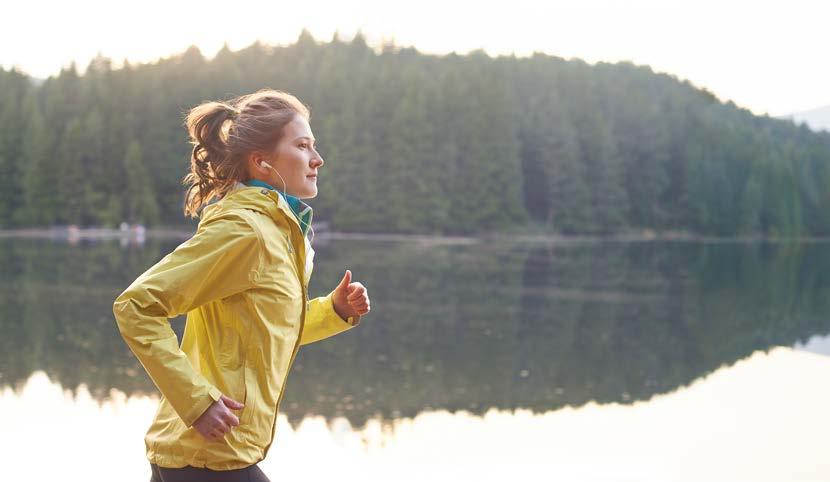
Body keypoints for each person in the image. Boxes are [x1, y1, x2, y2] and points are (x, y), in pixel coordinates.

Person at [113, 89, 371, 482]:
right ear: (261, 161)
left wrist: (333, 311)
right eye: (302, 146)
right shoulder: (245, 231)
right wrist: (197, 403)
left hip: (210, 455)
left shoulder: (278, 234)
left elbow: (262, 333)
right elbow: (135, 306)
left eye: (313, 147)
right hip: (206, 458)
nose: (317, 159)